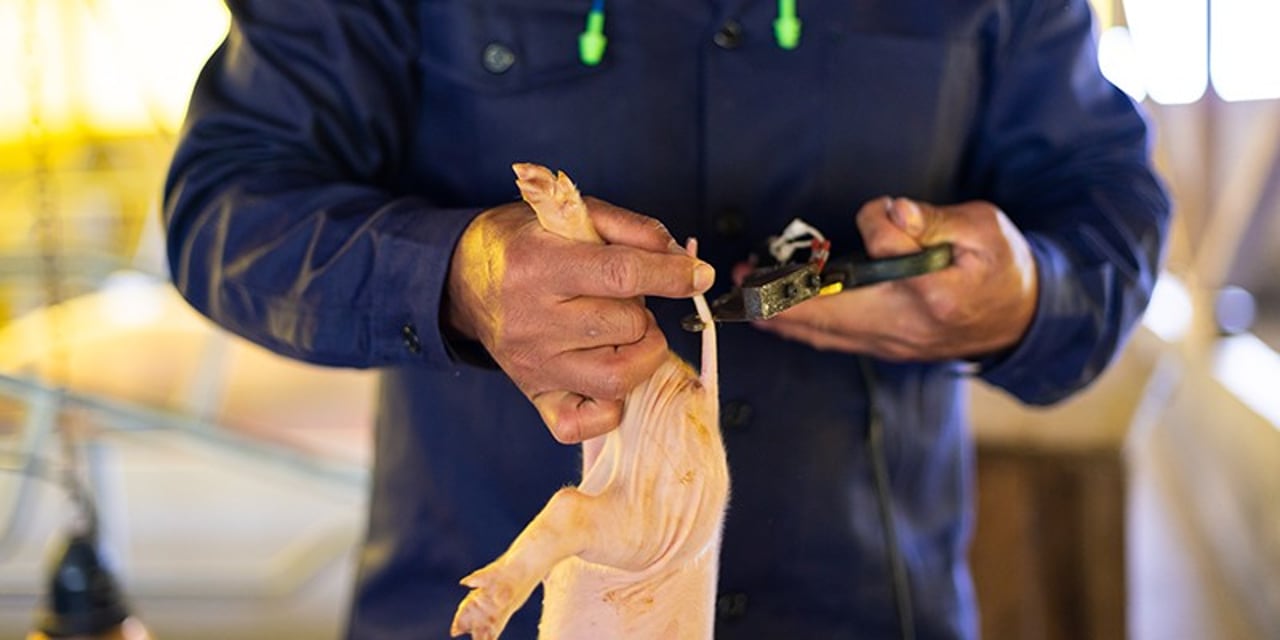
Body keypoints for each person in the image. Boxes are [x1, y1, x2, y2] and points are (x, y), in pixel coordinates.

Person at [163, 1, 1171, 638]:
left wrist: (1030, 288)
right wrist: (457, 275)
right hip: (486, 611)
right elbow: (226, 208)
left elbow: (1103, 200)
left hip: (868, 608)